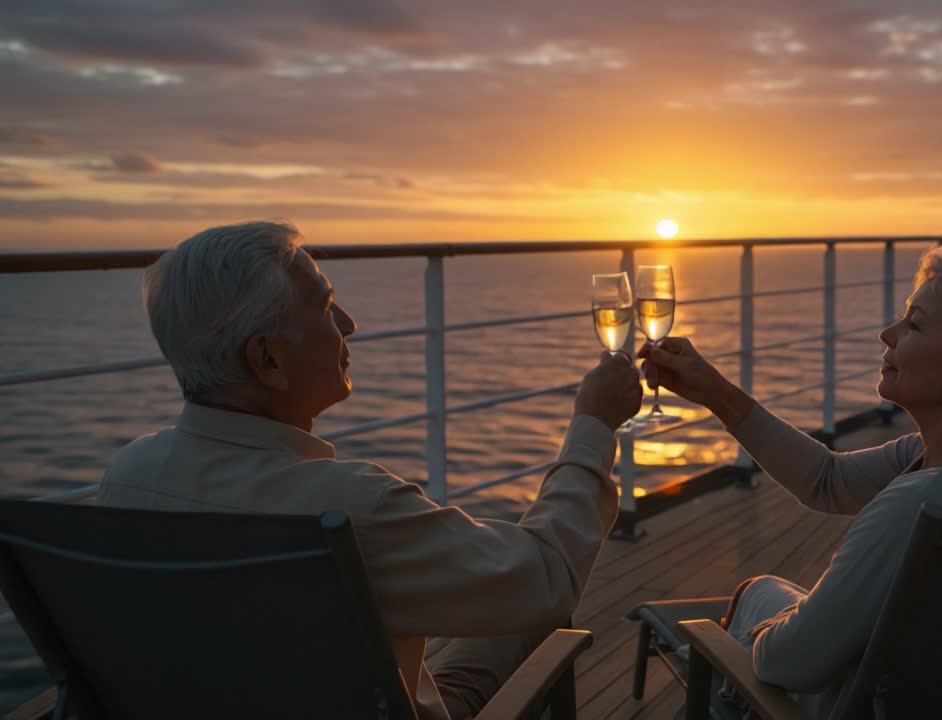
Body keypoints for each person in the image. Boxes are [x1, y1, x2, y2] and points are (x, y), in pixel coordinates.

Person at [97, 220, 643, 719]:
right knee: (538, 615)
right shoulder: (349, 508)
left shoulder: (127, 477)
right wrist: (594, 424)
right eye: (327, 307)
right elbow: (547, 578)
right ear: (268, 360)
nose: (349, 325)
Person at [639, 243, 942, 717]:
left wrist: (753, 636)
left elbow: (789, 663)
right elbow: (828, 479)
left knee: (728, 630)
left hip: (855, 703)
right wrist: (716, 393)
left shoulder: (917, 506)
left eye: (915, 324)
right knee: (756, 592)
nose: (888, 333)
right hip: (920, 685)